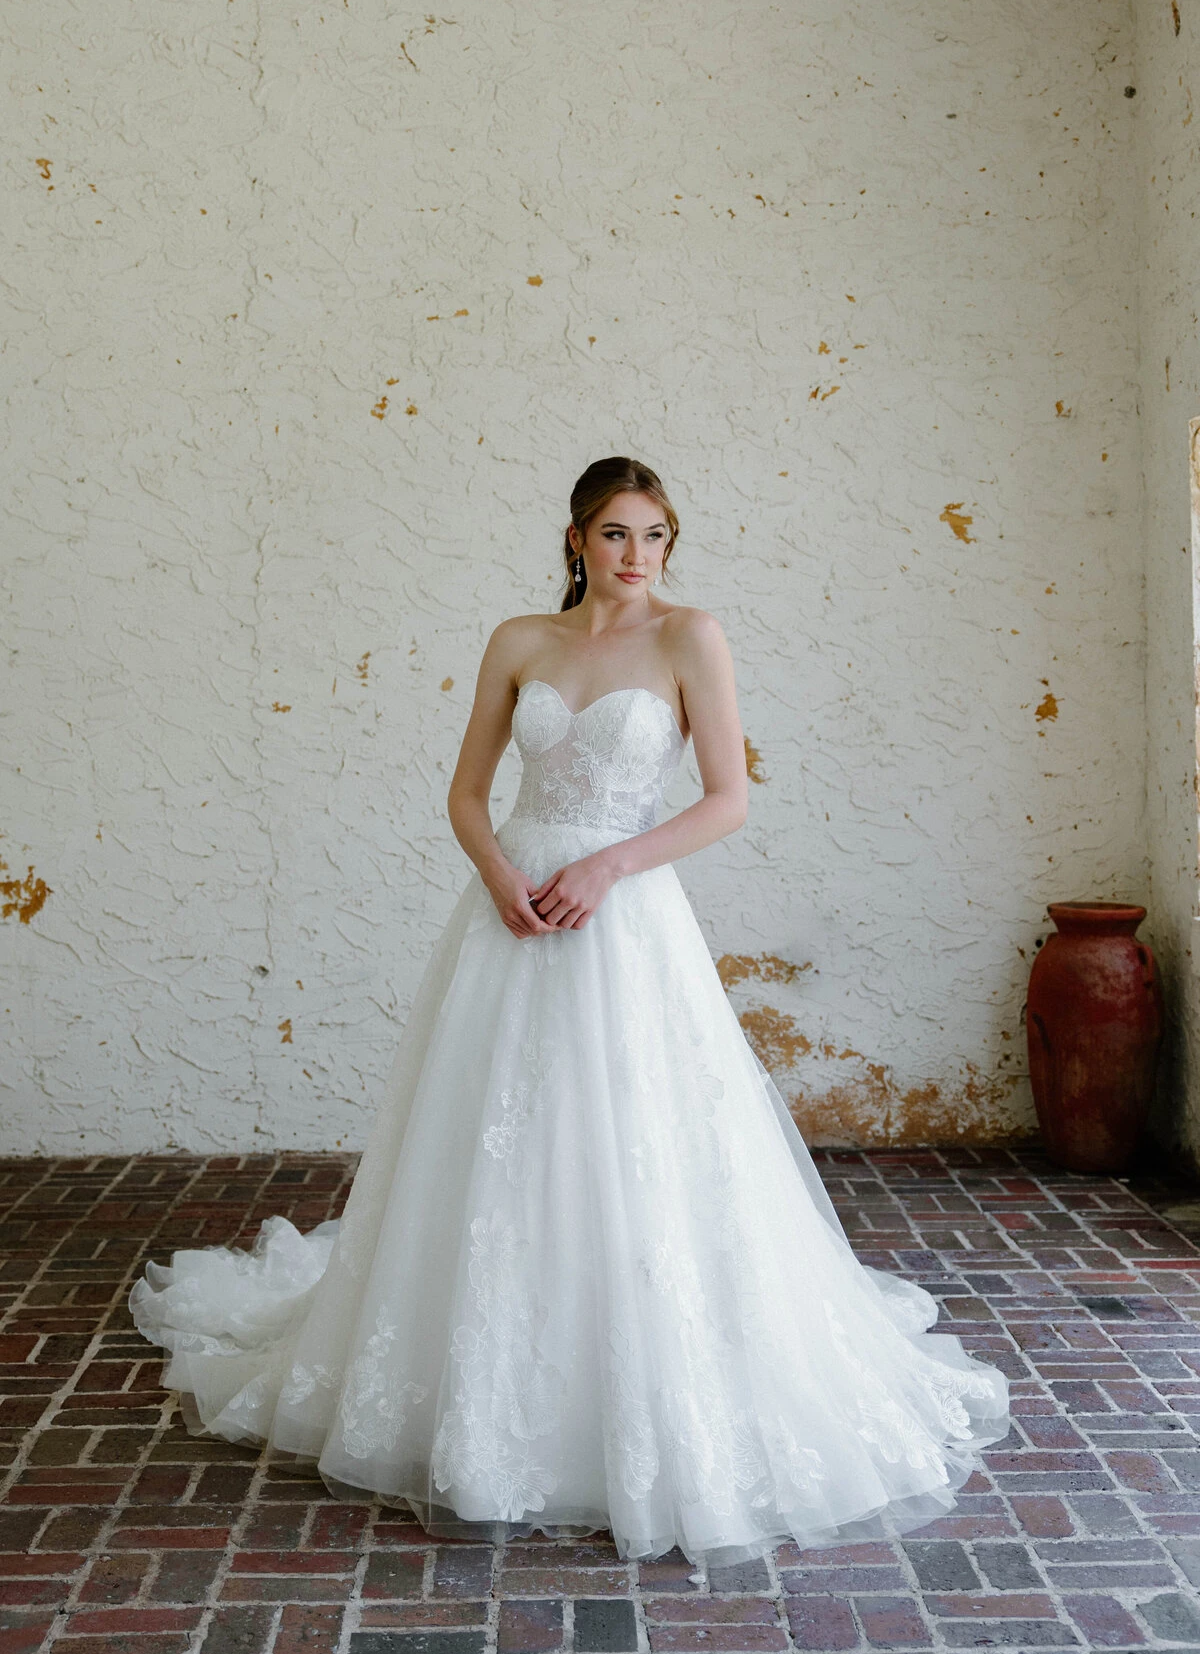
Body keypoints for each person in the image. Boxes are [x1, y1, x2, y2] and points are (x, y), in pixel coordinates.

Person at [128, 457, 1010, 1574]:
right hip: (512, 917)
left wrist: (612, 868)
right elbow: (466, 791)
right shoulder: (520, 642)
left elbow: (728, 797)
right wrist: (500, 874)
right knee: (498, 1135)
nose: (637, 557)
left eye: (655, 536)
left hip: (625, 919)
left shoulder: (692, 637)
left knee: (632, 1135)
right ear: (576, 540)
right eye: (616, 535)